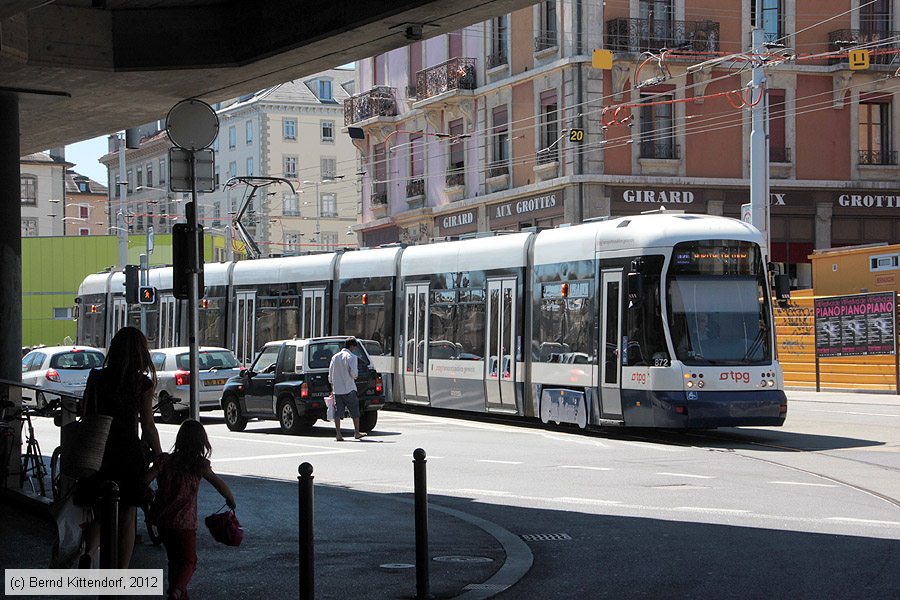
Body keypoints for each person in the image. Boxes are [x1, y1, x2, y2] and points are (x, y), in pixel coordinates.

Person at [75, 326, 163, 568]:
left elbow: (86, 411)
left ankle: (89, 552)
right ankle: (120, 574)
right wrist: (158, 454)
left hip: (98, 450)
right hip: (127, 452)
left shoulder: (97, 377)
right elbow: (147, 425)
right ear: (140, 353)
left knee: (102, 510)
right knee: (127, 514)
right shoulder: (142, 383)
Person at [144, 420, 236, 600]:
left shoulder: (165, 461)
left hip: (163, 522)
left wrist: (149, 494)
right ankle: (177, 591)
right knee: (189, 561)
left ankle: (178, 593)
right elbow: (219, 484)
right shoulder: (199, 466)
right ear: (202, 442)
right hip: (185, 524)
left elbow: (144, 480)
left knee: (174, 561)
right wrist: (230, 499)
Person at [328, 337, 364, 441]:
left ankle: (338, 434)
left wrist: (332, 387)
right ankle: (356, 432)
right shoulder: (352, 357)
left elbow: (330, 375)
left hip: (337, 389)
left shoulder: (335, 357)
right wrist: (355, 376)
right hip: (349, 388)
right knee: (354, 411)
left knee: (338, 412)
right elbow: (354, 374)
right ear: (352, 346)